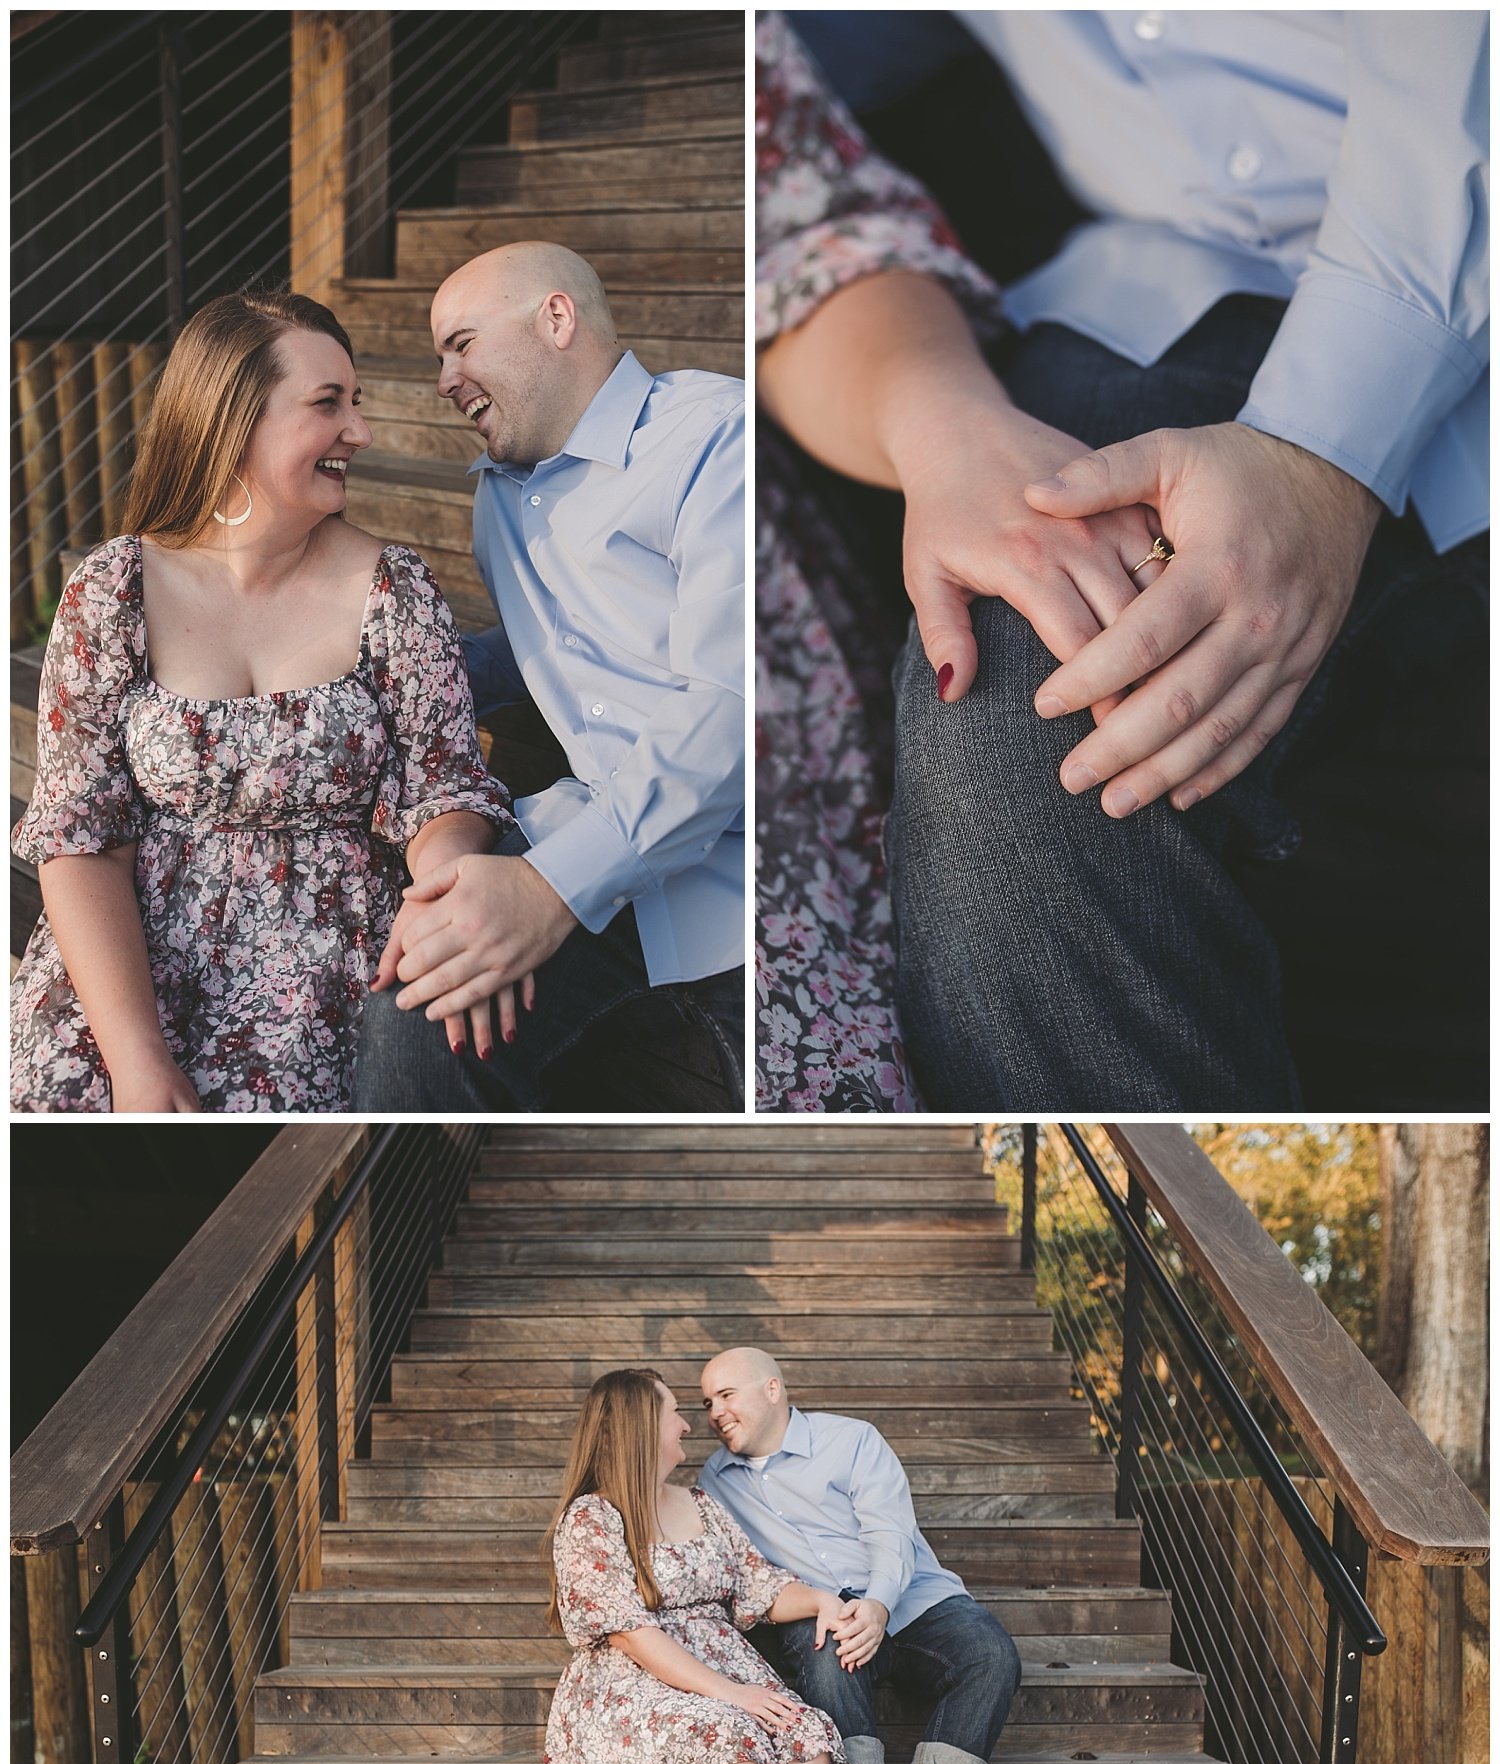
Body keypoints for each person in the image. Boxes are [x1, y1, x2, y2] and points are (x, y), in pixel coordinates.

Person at [755, 11, 1488, 1110]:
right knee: (1031, 686)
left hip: (1427, 245)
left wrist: (1320, 453)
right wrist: (945, 431)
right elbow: (791, 164)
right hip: (1163, 292)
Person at [10, 289, 513, 1113]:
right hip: (136, 968)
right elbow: (80, 834)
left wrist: (451, 882)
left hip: (334, 968)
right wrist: (136, 1058)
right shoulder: (113, 590)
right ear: (234, 419)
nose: (361, 431)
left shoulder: (396, 588)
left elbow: (443, 787)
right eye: (328, 405)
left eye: (357, 402)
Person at [356, 242, 746, 1112]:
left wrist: (549, 886)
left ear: (556, 319)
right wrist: (426, 670)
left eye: (460, 343)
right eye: (437, 357)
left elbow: (733, 706)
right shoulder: (499, 496)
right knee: (418, 1005)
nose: (444, 379)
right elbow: (554, 646)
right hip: (586, 826)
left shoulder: (719, 439)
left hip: (756, 873)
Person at [544, 1366, 871, 1764]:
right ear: (638, 1427)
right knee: (737, 1745)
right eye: (673, 1413)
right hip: (629, 1690)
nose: (689, 1424)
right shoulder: (592, 1517)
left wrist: (827, 1603)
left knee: (806, 1735)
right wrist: (734, 1694)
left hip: (719, 1671)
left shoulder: (700, 1504)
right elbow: (632, 1634)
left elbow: (760, 1588)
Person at [698, 1347, 1021, 1764]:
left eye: (727, 1395)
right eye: (707, 1402)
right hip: (821, 1613)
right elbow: (737, 1576)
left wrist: (878, 1603)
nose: (715, 1412)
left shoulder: (851, 1440)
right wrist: (827, 1605)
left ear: (772, 1389)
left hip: (910, 1599)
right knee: (823, 1655)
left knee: (992, 1656)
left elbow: (890, 1533)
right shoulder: (715, 1482)